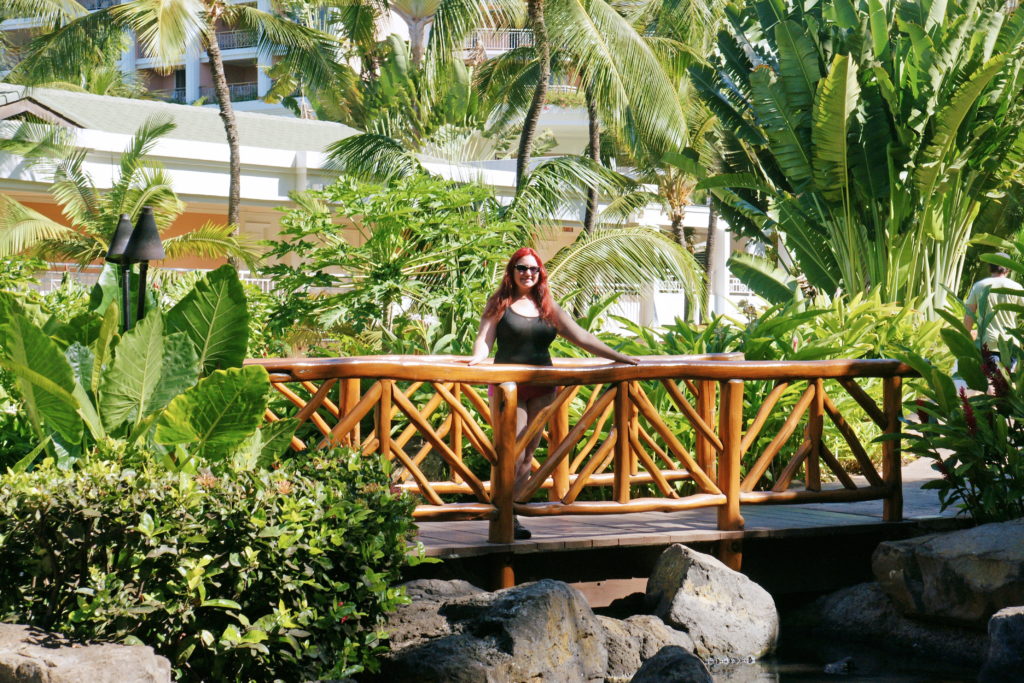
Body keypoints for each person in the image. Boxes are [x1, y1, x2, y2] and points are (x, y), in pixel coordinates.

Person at [468, 247, 639, 539]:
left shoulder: (547, 305)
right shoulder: (500, 302)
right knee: (512, 451)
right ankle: (502, 516)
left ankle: (514, 515)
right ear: (512, 271)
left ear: (540, 274)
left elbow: (581, 336)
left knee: (527, 455)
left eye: (534, 269)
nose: (528, 273)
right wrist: (475, 362)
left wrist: (618, 356)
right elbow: (485, 339)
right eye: (522, 268)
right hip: (509, 385)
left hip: (544, 385)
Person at [963, 255, 1023, 370]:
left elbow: (969, 315)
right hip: (1011, 344)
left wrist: (966, 339)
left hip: (987, 343)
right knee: (1009, 384)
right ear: (1008, 268)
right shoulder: (1016, 287)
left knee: (992, 382)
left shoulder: (979, 286)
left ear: (990, 267)